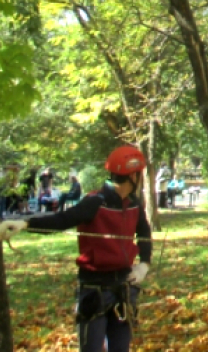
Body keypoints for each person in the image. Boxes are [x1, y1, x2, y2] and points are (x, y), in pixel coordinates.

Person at [0, 145, 153, 352]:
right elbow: (62, 219)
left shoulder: (134, 204)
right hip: (95, 289)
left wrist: (144, 264)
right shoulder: (95, 202)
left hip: (123, 287)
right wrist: (26, 224)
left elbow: (144, 233)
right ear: (134, 176)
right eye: (140, 174)